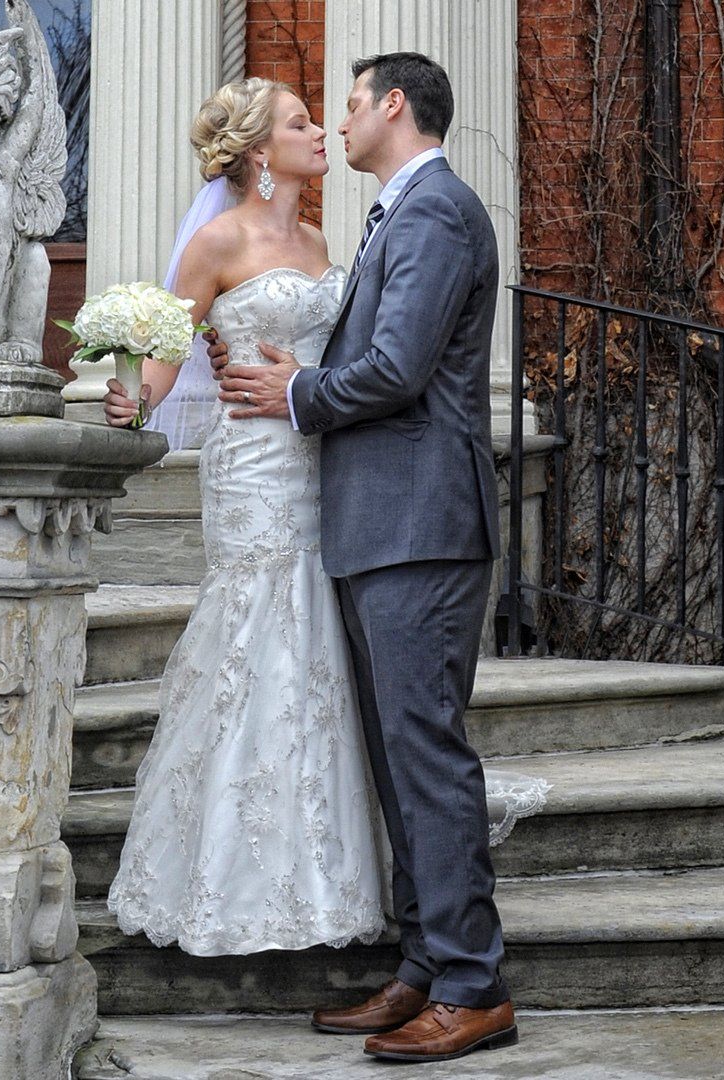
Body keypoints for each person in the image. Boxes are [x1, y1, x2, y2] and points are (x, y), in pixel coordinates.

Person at [103, 62, 531, 1066]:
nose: (333, 123)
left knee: (424, 750)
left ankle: (473, 984)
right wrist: (135, 385)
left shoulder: (432, 214)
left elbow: (397, 367)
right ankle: (425, 966)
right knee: (394, 752)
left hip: (415, 520)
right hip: (350, 511)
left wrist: (294, 390)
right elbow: (177, 337)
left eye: (344, 104)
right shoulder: (387, 215)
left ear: (393, 107)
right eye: (308, 116)